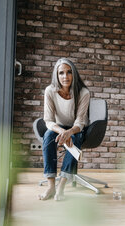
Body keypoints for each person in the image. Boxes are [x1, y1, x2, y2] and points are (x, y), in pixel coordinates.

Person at [39, 58, 90, 201]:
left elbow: (80, 122)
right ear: (56, 75)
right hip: (58, 127)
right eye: (61, 73)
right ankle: (51, 185)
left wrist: (69, 132)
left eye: (69, 72)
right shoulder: (50, 91)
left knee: (76, 138)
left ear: (74, 74)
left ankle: (61, 185)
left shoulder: (83, 93)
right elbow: (48, 120)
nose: (65, 76)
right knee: (48, 135)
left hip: (75, 128)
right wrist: (62, 132)